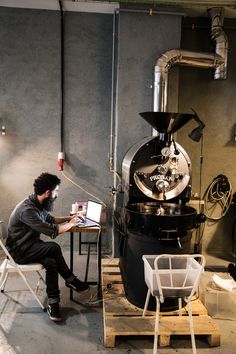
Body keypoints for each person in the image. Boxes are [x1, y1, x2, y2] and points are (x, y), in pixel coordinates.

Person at [6, 172, 89, 322]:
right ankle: (70, 279)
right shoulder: (28, 210)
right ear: (48, 192)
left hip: (30, 245)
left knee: (51, 262)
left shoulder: (36, 202)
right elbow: (51, 230)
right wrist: (71, 224)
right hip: (19, 251)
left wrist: (70, 218)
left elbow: (50, 219)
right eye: (56, 191)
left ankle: (53, 303)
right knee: (54, 247)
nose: (56, 195)